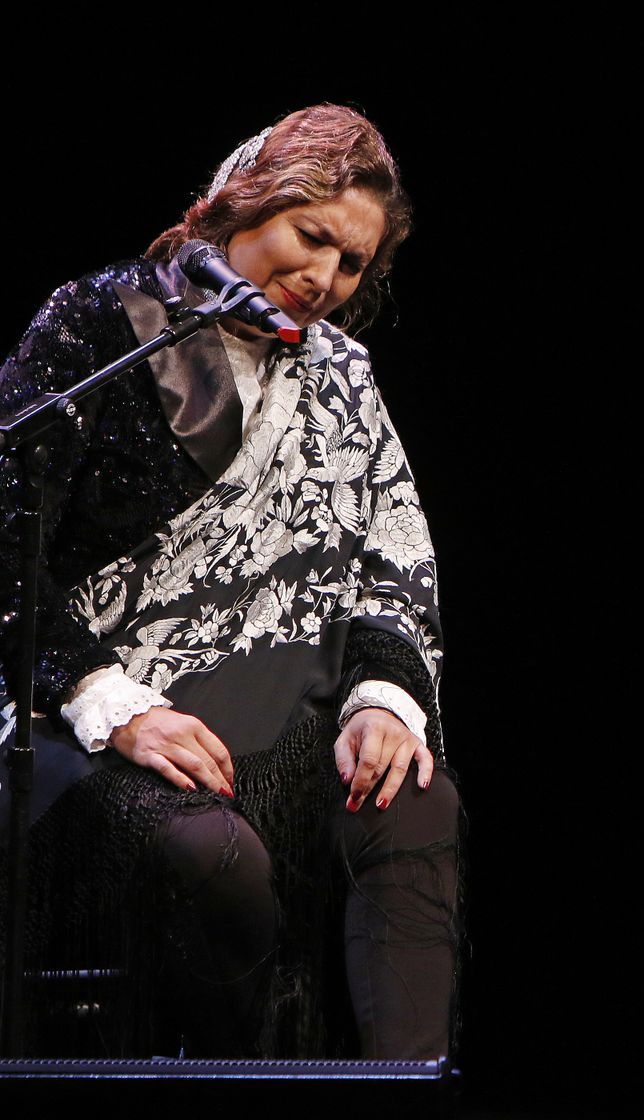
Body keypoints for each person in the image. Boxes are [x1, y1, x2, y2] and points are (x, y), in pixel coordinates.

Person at [0, 104, 459, 1060]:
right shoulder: (101, 323)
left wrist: (384, 697)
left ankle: (401, 1099)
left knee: (413, 801)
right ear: (243, 204)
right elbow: (6, 550)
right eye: (311, 236)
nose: (324, 278)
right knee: (212, 860)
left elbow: (392, 559)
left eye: (353, 263)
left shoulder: (344, 376)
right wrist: (110, 703)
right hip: (85, 719)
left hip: (278, 717)